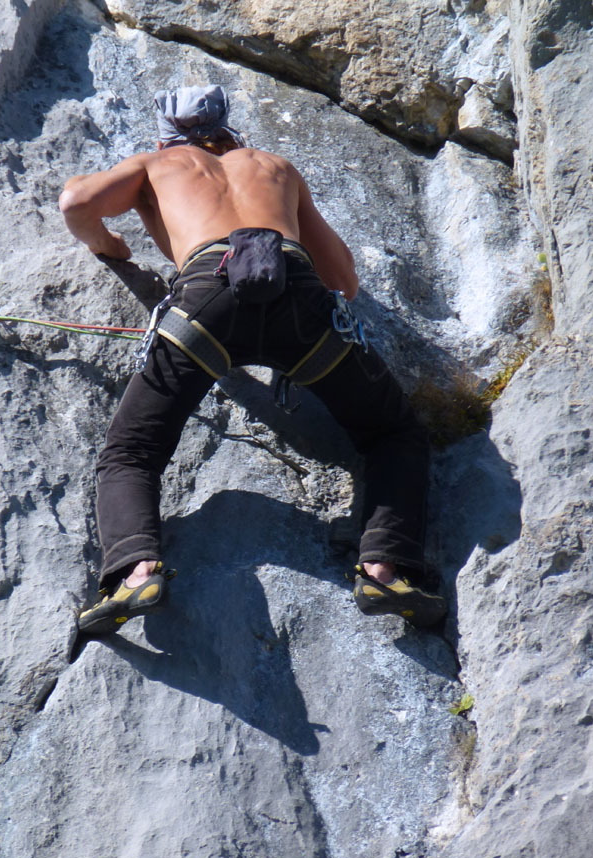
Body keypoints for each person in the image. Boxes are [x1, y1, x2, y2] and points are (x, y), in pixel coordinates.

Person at [59, 85, 447, 634]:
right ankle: (384, 569)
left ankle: (135, 573)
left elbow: (75, 203)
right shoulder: (273, 166)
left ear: (167, 137)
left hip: (206, 301)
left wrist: (109, 246)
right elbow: (344, 281)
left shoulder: (159, 164)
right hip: (298, 296)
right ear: (229, 132)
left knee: (133, 451)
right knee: (392, 433)